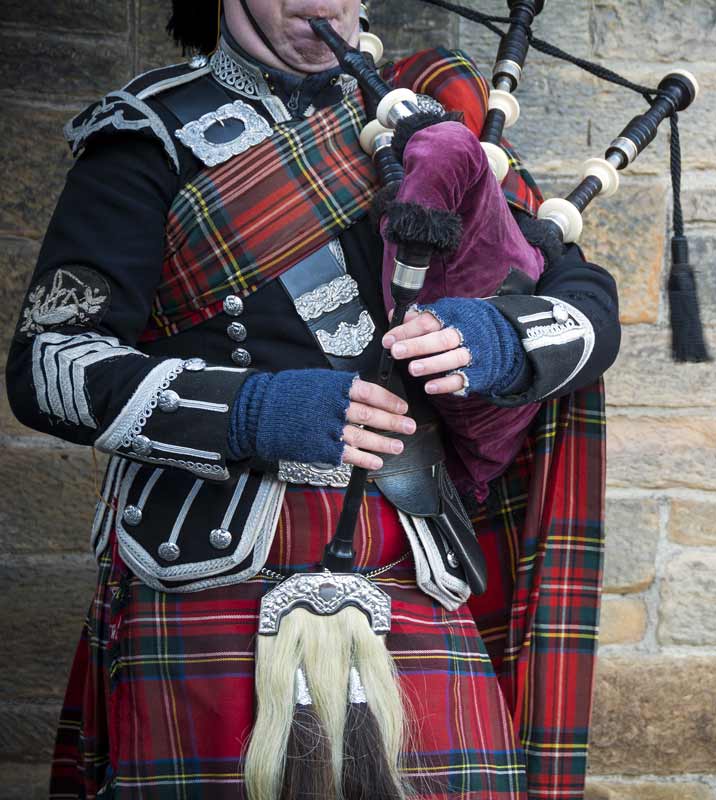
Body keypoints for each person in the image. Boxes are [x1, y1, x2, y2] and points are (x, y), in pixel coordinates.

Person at [6, 1, 618, 797]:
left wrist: (503, 337)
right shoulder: (147, 134)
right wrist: (255, 410)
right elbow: (48, 366)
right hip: (210, 566)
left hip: (412, 554)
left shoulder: (422, 125)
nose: (323, 4)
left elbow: (577, 289)